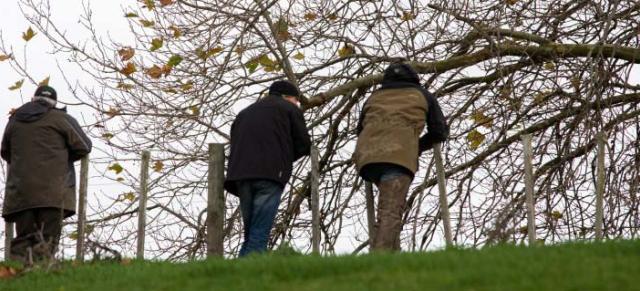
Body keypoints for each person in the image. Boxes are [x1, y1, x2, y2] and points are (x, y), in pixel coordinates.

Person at [354, 63, 449, 251]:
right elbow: (439, 131)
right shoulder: (422, 95)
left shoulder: (374, 97)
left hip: (367, 159)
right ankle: (379, 258)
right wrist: (416, 146)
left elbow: (360, 129)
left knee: (388, 206)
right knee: (390, 211)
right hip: (397, 158)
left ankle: (393, 259)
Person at [1, 85, 92, 264]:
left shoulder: (15, 120)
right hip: (53, 193)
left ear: (33, 99)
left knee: (23, 241)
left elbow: (5, 151)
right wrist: (63, 157)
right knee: (47, 242)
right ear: (54, 103)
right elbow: (84, 146)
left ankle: (18, 278)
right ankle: (43, 277)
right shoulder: (61, 118)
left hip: (21, 192)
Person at [224, 80, 311, 257]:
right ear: (287, 97)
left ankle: (237, 274)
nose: (298, 104)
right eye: (297, 100)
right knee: (260, 231)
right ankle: (249, 274)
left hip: (241, 176)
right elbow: (304, 144)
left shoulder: (244, 113)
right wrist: (284, 157)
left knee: (251, 233)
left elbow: (235, 142)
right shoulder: (289, 109)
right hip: (270, 174)